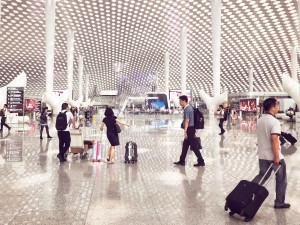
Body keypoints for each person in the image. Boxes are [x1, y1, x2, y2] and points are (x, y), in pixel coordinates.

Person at [252, 98, 290, 209]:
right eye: (277, 105)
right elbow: (274, 139)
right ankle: (279, 202)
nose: (278, 107)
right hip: (274, 156)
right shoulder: (274, 122)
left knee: (262, 176)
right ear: (272, 108)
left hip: (262, 155)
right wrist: (277, 157)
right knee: (281, 179)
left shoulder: (260, 120)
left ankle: (248, 192)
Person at [174, 95, 205, 167]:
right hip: (191, 129)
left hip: (190, 129)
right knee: (185, 146)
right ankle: (182, 161)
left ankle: (201, 161)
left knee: (194, 147)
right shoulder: (188, 108)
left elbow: (187, 121)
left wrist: (185, 132)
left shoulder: (187, 109)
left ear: (184, 101)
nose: (179, 102)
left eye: (180, 101)